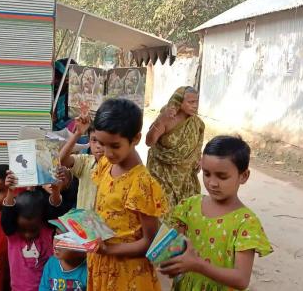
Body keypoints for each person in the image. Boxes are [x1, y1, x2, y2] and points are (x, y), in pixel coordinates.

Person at [158, 136, 272, 291]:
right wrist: (167, 259)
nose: (212, 183)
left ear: (243, 176)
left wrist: (198, 265)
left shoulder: (246, 223)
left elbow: (241, 279)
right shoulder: (190, 206)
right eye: (206, 174)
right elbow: (174, 249)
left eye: (222, 176)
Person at [87, 98, 168, 291]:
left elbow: (150, 241)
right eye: (101, 143)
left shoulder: (141, 184)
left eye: (115, 146)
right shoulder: (107, 165)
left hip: (127, 273)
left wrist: (110, 249)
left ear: (136, 139)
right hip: (101, 263)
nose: (106, 152)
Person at [146, 86, 205, 223]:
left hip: (184, 178)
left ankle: (180, 243)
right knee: (163, 214)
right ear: (179, 102)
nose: (195, 106)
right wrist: (161, 120)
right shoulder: (167, 118)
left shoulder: (197, 123)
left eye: (196, 102)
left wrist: (198, 159)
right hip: (162, 175)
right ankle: (161, 242)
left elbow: (197, 147)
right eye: (190, 102)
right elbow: (149, 142)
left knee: (183, 216)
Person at [0, 173, 66, 291]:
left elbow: (55, 209)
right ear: (15, 222)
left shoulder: (46, 229)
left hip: (46, 287)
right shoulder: (12, 232)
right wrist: (10, 192)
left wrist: (56, 191)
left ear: (42, 220)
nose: (28, 234)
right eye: (23, 229)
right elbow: (7, 215)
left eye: (33, 229)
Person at [59, 116, 103, 211]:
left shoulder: (115, 168)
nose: (98, 146)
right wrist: (77, 134)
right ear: (89, 141)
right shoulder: (85, 161)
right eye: (94, 140)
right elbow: (62, 160)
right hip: (83, 224)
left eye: (103, 141)